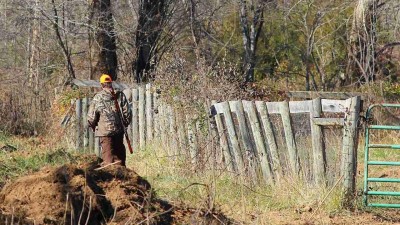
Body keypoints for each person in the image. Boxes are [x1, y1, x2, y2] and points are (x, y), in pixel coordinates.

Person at [87, 74, 131, 167]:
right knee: (119, 158)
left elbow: (91, 116)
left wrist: (93, 125)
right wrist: (125, 125)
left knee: (108, 159)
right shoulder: (120, 95)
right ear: (111, 83)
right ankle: (124, 178)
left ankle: (111, 179)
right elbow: (127, 113)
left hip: (105, 133)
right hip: (119, 131)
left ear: (102, 85)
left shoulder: (98, 97)